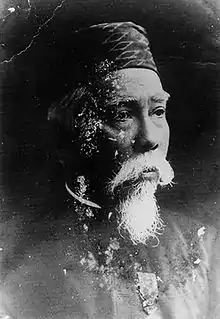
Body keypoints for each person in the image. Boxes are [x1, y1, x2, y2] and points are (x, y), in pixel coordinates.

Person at [1, 21, 220, 319]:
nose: (150, 139)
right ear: (74, 130)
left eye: (158, 112)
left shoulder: (205, 247)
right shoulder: (18, 271)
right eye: (121, 115)